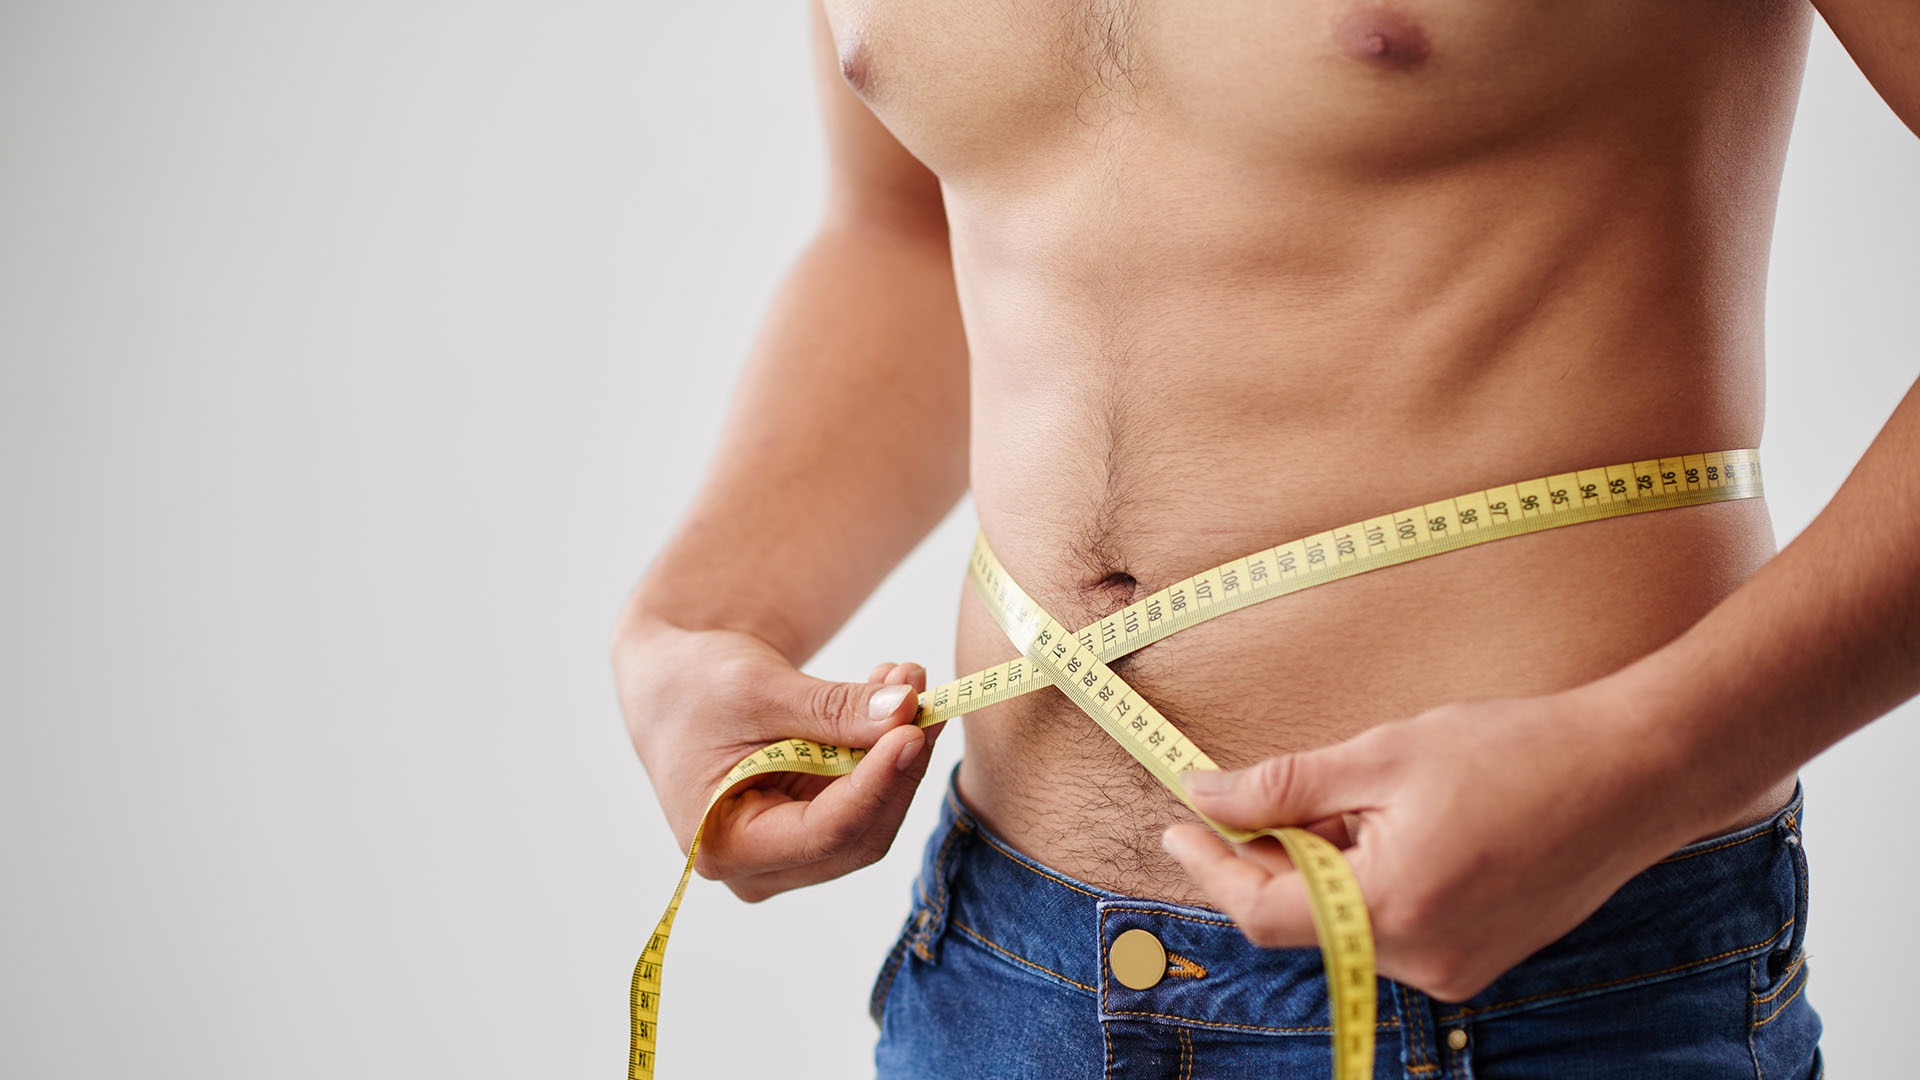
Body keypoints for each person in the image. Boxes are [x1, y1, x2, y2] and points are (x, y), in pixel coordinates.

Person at [612, 2, 1919, 1075]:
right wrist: (700, 618)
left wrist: (1649, 759)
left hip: (1537, 997)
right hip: (997, 975)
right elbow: (898, 227)